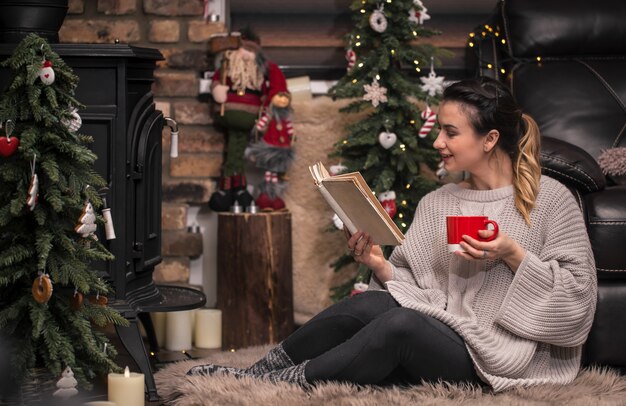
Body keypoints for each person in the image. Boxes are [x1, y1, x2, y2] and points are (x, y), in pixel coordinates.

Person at [188, 77, 598, 392]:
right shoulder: (439, 202)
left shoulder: (550, 201)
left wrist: (513, 254)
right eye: (439, 130)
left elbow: (579, 303)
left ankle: (285, 382)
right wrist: (379, 264)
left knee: (399, 325)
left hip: (504, 359)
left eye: (451, 133)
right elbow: (420, 293)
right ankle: (258, 371)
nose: (437, 142)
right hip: (450, 333)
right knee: (369, 305)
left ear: (490, 139)